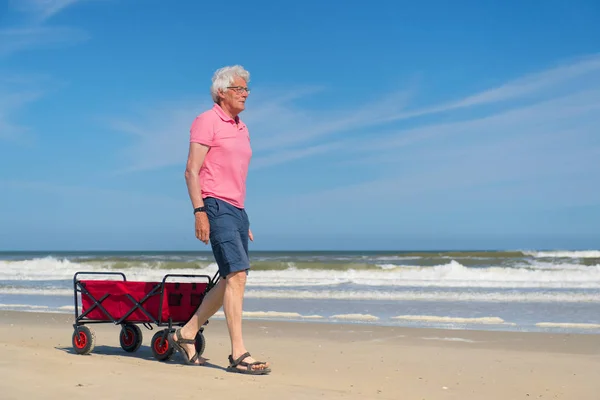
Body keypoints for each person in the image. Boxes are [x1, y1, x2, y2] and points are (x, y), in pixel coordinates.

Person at [168, 65, 270, 375]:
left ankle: (186, 333)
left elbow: (236, 174)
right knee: (236, 275)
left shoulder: (242, 127)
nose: (246, 94)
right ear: (221, 92)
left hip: (236, 210)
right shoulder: (206, 121)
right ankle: (238, 353)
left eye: (247, 89)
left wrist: (242, 217)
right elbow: (191, 171)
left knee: (230, 278)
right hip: (214, 204)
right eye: (240, 89)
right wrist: (200, 212)